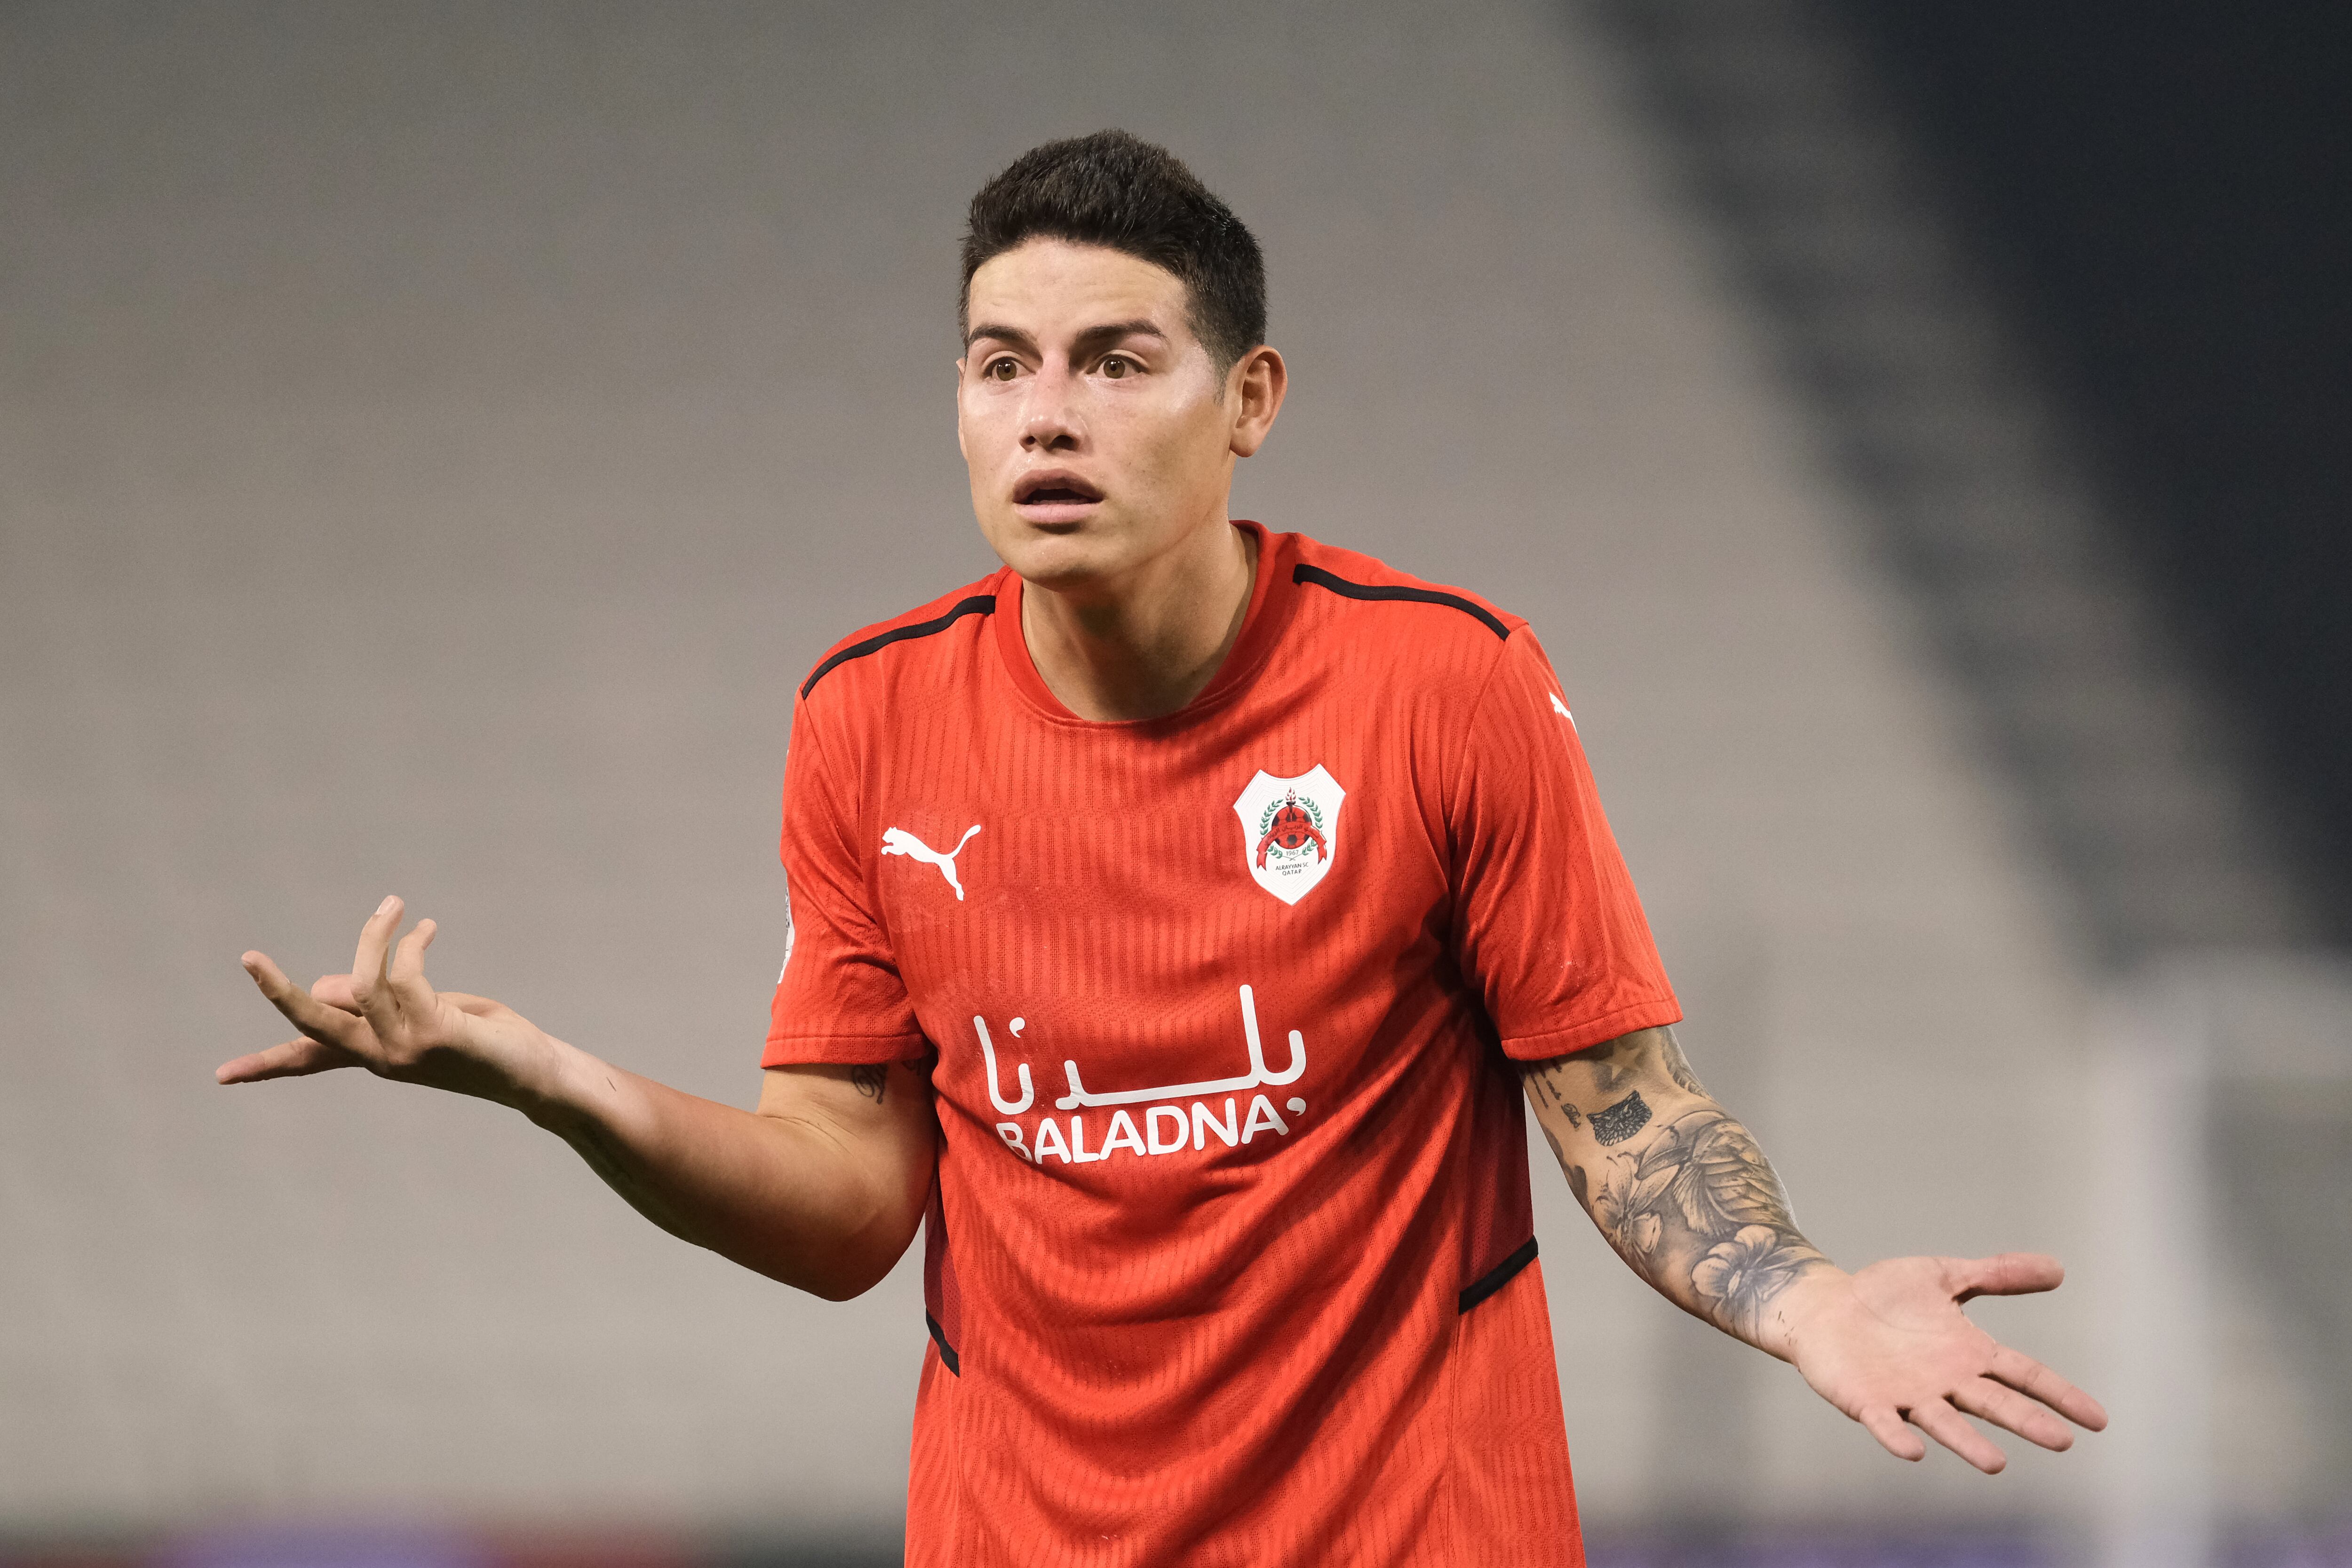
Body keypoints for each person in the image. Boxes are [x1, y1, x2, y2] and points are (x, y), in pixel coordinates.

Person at [222, 130, 2106, 1566]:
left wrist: (1802, 1298)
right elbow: (848, 1207)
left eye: (1117, 362)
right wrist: (555, 1084)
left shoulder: (1443, 685)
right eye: (999, 365)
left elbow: (1622, 1108)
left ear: (1250, 404)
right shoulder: (866, 718)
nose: (1046, 416)